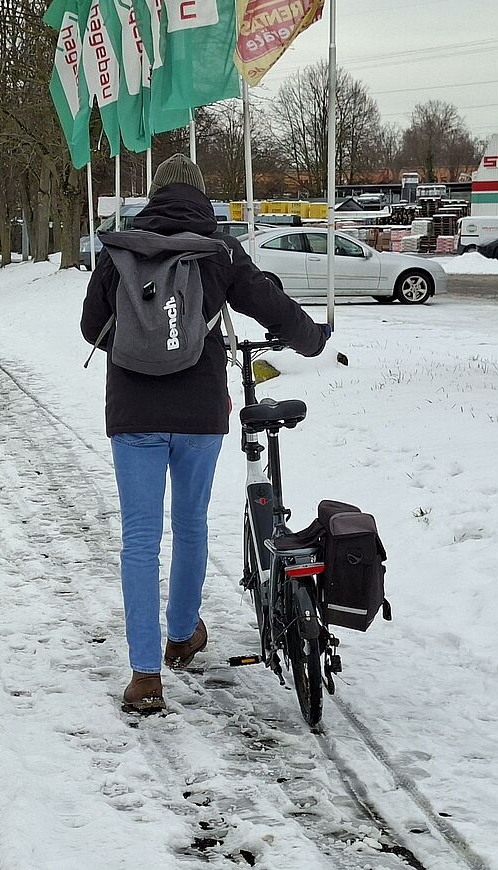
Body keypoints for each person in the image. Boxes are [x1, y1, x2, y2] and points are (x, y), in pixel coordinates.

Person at [80, 153, 329, 713]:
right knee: (190, 525)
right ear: (200, 196)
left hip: (133, 413)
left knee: (140, 539)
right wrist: (311, 339)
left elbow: (90, 327)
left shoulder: (119, 250)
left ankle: (145, 675)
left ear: (154, 196)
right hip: (199, 414)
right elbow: (271, 305)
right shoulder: (219, 251)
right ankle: (182, 635)